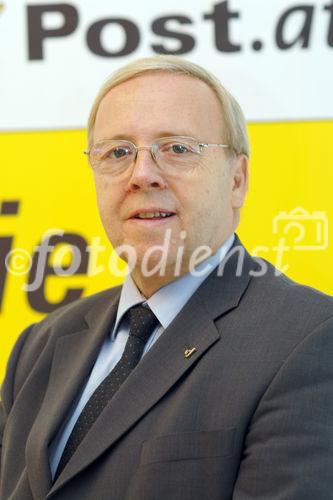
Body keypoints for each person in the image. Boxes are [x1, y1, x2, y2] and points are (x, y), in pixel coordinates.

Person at [1, 55, 333, 500]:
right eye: (117, 152)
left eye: (177, 148)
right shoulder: (38, 345)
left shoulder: (309, 339)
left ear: (237, 180)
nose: (141, 174)